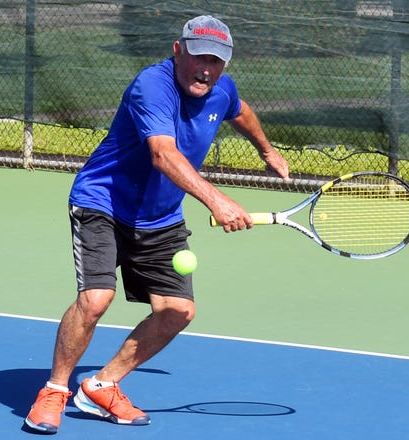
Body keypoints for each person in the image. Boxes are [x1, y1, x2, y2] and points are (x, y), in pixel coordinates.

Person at [24, 15, 289, 434]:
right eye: (199, 57)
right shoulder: (153, 86)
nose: (206, 69)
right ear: (177, 50)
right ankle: (54, 390)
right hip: (103, 203)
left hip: (160, 217)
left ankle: (102, 385)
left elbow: (240, 111)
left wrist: (267, 150)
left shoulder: (222, 88)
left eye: (216, 61)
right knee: (95, 299)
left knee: (178, 311)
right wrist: (217, 199)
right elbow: (163, 155)